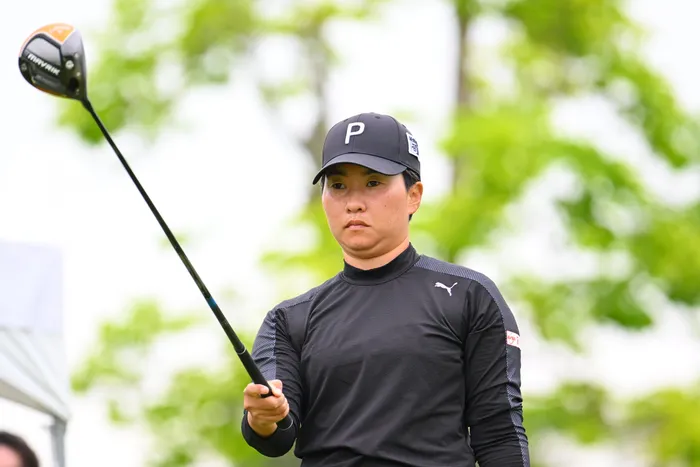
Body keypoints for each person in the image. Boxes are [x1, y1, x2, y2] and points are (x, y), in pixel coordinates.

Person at [241, 112, 530, 466]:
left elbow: (499, 433)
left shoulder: (470, 296)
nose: (354, 202)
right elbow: (277, 436)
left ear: (413, 196)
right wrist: (263, 417)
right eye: (338, 185)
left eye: (373, 182)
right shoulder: (289, 320)